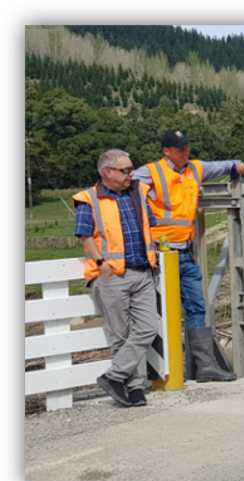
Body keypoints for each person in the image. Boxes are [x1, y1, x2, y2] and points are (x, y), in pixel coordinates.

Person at [135, 130, 244, 382]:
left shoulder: (196, 168)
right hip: (160, 256)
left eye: (187, 147)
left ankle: (205, 367)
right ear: (166, 151)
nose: (185, 151)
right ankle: (156, 373)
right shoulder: (149, 172)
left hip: (186, 253)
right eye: (179, 149)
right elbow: (122, 185)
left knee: (197, 307)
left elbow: (231, 165)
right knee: (159, 311)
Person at [74, 149, 159, 407]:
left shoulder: (138, 192)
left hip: (143, 271)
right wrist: (101, 263)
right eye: (125, 170)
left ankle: (113, 377)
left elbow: (150, 225)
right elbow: (84, 236)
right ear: (107, 172)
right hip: (111, 275)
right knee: (120, 334)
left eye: (131, 169)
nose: (131, 174)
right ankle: (133, 388)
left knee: (148, 327)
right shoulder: (89, 199)